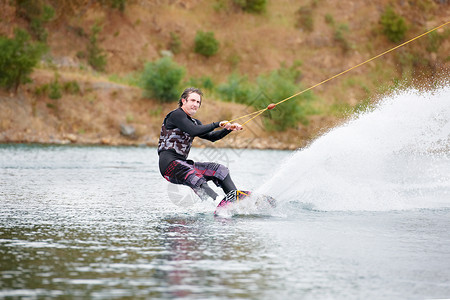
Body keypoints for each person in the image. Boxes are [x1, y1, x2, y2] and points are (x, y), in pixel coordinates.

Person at [158, 87, 243, 202]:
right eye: (192, 100)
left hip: (184, 164)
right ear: (184, 101)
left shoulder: (195, 122)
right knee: (196, 178)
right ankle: (217, 201)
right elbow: (193, 130)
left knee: (220, 170)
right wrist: (217, 123)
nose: (195, 104)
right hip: (169, 165)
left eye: (198, 102)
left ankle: (236, 199)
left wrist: (228, 129)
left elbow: (212, 137)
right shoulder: (176, 115)